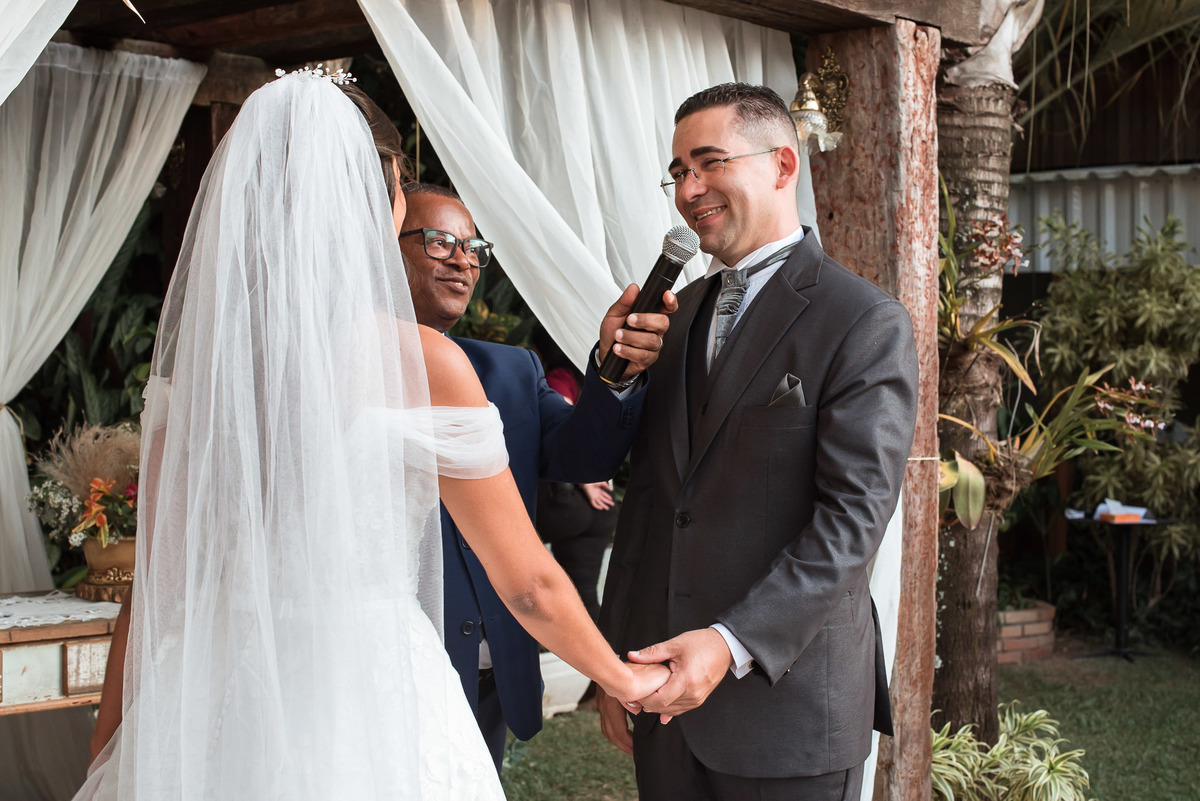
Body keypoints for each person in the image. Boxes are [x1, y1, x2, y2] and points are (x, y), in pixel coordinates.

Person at [76, 69, 668, 801]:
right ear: (379, 204)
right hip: (372, 700)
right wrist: (624, 676)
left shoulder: (199, 378)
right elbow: (530, 581)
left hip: (220, 700)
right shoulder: (423, 362)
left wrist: (108, 752)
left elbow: (155, 596)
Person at [596, 82, 920, 801]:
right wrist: (616, 659)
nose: (689, 188)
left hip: (791, 711)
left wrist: (729, 641)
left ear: (781, 165)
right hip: (664, 699)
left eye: (708, 162)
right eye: (678, 171)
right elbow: (653, 501)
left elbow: (851, 523)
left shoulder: (863, 321)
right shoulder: (673, 321)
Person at [397, 183, 675, 770]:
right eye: (441, 241)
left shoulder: (509, 371)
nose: (463, 260)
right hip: (393, 671)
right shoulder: (330, 376)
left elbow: (584, 456)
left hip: (496, 674)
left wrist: (616, 370)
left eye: (475, 248)